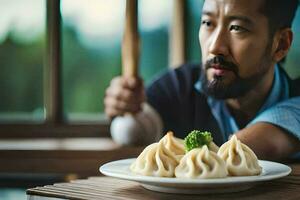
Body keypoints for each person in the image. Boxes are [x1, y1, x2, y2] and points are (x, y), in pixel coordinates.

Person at [104, 0, 300, 160]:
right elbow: (135, 129)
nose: (215, 46)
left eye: (236, 28)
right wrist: (125, 106)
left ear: (280, 44)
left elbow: (265, 144)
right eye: (208, 23)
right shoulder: (179, 85)